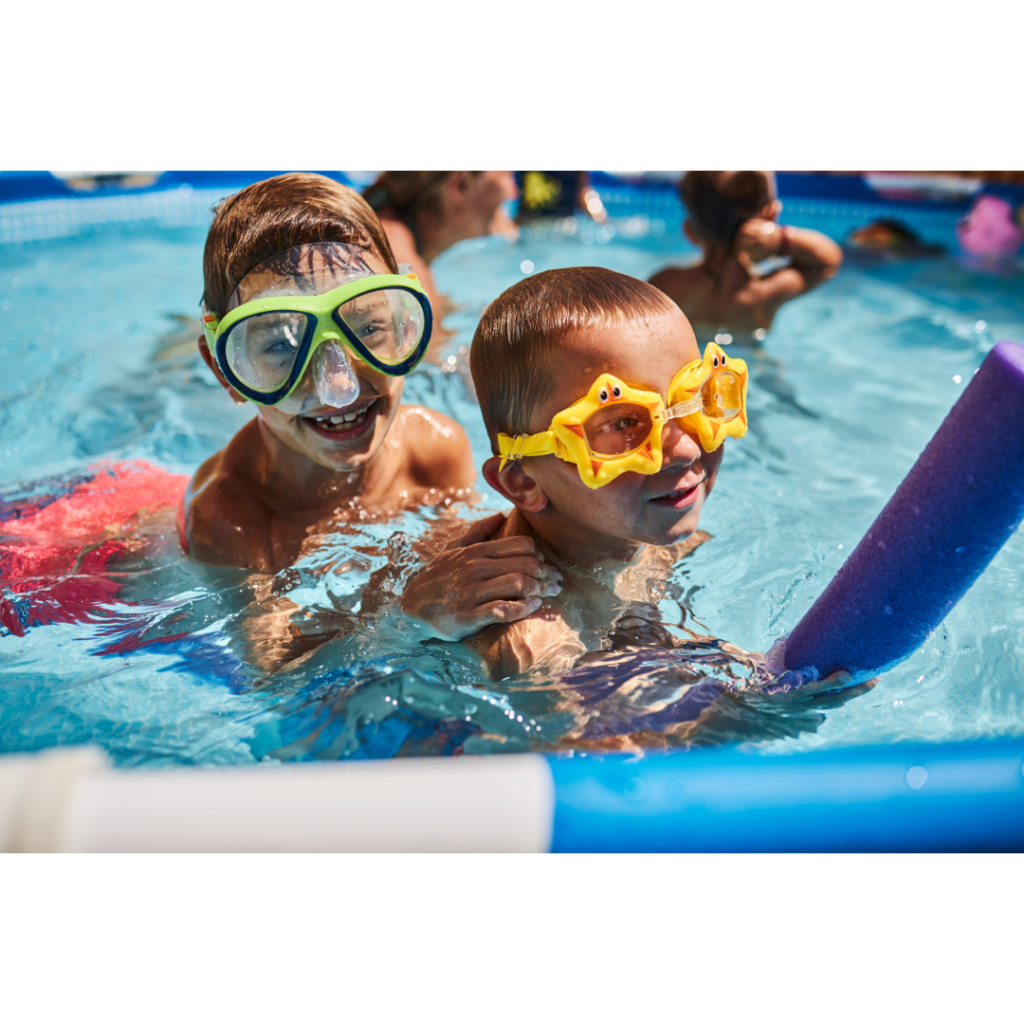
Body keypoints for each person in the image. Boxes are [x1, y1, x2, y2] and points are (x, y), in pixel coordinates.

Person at [401, 266, 747, 678]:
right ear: (524, 481)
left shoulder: (641, 534)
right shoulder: (531, 640)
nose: (685, 450)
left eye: (696, 402)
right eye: (622, 424)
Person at [178, 173, 479, 573]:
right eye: (283, 345)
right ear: (225, 371)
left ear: (405, 326)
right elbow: (271, 638)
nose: (340, 387)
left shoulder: (434, 452)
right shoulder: (229, 520)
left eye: (369, 330)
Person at [649, 171, 842, 338]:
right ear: (771, 215)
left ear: (689, 230)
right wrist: (780, 239)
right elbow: (827, 263)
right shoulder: (765, 291)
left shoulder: (665, 284)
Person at [363, 171, 519, 323]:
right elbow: (432, 344)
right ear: (461, 185)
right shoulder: (393, 250)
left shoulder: (400, 232)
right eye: (506, 176)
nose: (513, 193)